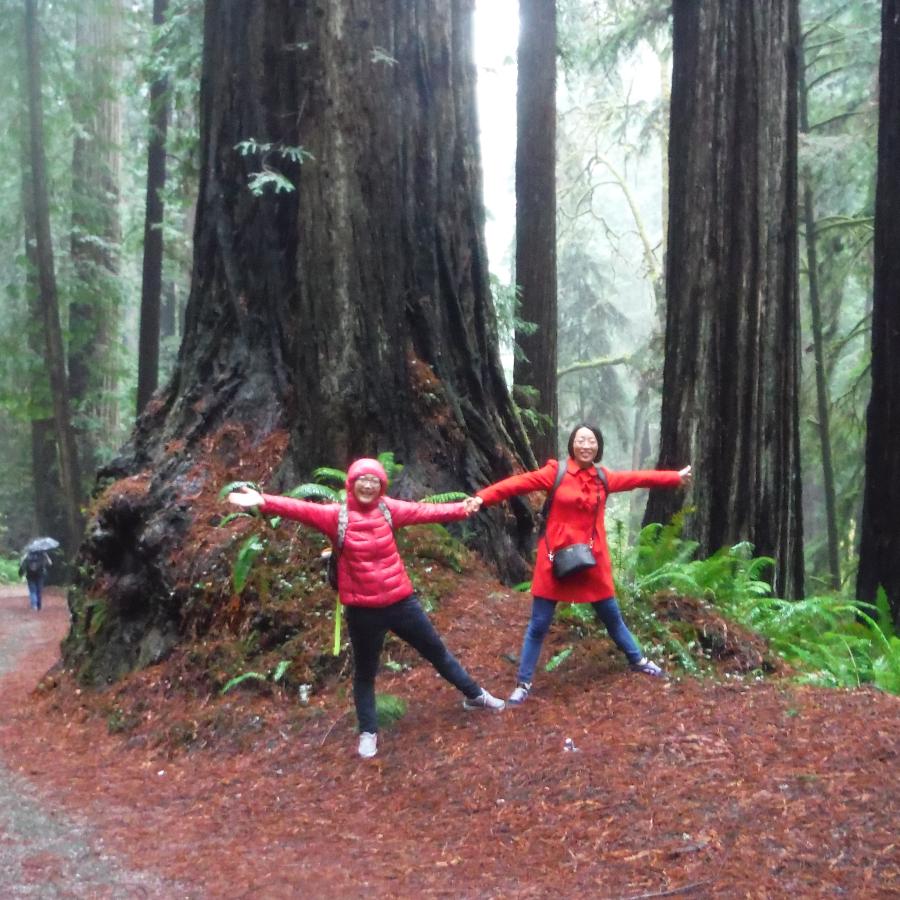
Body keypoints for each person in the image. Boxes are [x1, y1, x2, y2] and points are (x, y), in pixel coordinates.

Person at [227, 458, 505, 759]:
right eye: (363, 479)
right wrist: (263, 501)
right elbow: (301, 510)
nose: (369, 485)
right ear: (352, 482)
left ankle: (476, 695)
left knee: (437, 652)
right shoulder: (336, 516)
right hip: (363, 610)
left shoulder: (388, 509)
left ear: (381, 486)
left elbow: (424, 511)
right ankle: (368, 732)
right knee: (365, 673)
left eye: (375, 481)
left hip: (401, 601)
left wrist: (460, 509)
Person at [466, 424, 692, 705]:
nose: (586, 445)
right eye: (581, 440)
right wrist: (482, 497)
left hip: (591, 559)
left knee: (611, 616)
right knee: (539, 623)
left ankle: (638, 660)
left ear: (598, 447)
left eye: (592, 441)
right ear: (572, 444)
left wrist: (673, 477)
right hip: (555, 558)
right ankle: (523, 683)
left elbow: (638, 478)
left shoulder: (603, 478)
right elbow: (517, 483)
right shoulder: (556, 473)